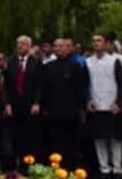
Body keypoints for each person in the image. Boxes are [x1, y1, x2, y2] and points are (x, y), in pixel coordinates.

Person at [40, 39, 87, 170]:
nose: (58, 48)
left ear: (67, 49)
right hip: (53, 112)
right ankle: (56, 168)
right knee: (55, 142)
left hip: (71, 113)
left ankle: (71, 169)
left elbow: (80, 88)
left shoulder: (75, 66)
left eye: (61, 46)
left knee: (71, 143)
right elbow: (44, 89)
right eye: (55, 46)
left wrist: (81, 108)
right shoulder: (48, 66)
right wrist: (44, 107)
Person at [85, 34, 122, 179]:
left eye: (99, 40)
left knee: (115, 139)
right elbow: (85, 84)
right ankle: (104, 168)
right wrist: (88, 100)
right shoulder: (88, 62)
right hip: (96, 106)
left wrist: (119, 103)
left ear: (106, 43)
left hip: (112, 106)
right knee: (99, 139)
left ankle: (118, 168)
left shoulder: (115, 60)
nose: (95, 43)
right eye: (93, 41)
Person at [3, 35, 43, 167]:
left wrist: (37, 102)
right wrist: (7, 103)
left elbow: (39, 85)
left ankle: (29, 165)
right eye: (18, 43)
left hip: (30, 105)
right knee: (15, 136)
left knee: (30, 136)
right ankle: (15, 165)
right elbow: (7, 86)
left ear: (29, 46)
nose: (19, 46)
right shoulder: (11, 62)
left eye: (23, 43)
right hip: (14, 105)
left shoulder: (36, 62)